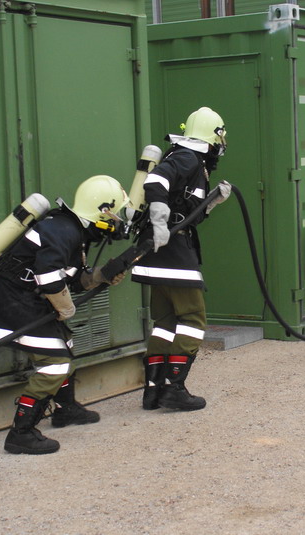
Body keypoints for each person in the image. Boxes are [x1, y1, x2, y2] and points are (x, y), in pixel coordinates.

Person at [0, 175, 129, 455]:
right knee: (55, 364)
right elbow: (49, 279)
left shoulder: (72, 230)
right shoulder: (64, 230)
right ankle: (21, 433)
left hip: (29, 301)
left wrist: (100, 276)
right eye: (115, 213)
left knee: (66, 346)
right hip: (13, 304)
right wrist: (66, 308)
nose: (117, 221)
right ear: (103, 211)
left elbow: (70, 278)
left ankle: (65, 409)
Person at [131, 107, 230, 412]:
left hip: (158, 250)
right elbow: (155, 182)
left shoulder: (188, 158)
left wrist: (212, 202)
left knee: (165, 322)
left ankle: (153, 391)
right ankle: (174, 388)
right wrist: (160, 221)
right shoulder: (188, 157)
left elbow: (186, 212)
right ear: (215, 136)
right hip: (172, 249)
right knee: (193, 319)